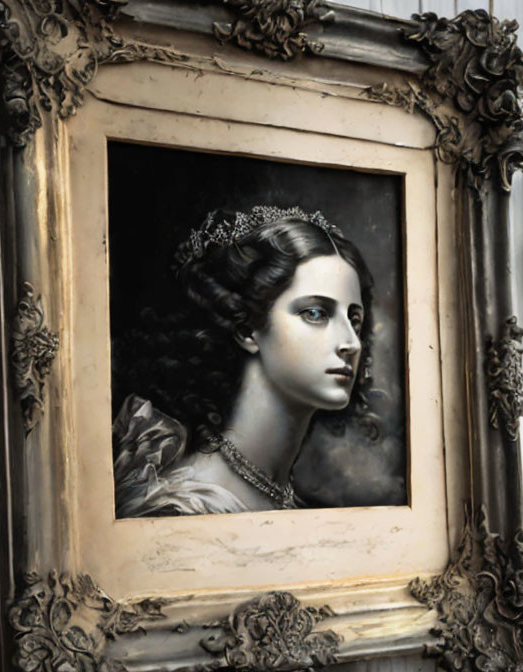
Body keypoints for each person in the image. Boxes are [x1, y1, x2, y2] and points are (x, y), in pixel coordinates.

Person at [112, 205, 377, 517]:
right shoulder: (183, 509)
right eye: (316, 313)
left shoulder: (283, 495)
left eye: (354, 319)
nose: (350, 343)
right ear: (247, 329)